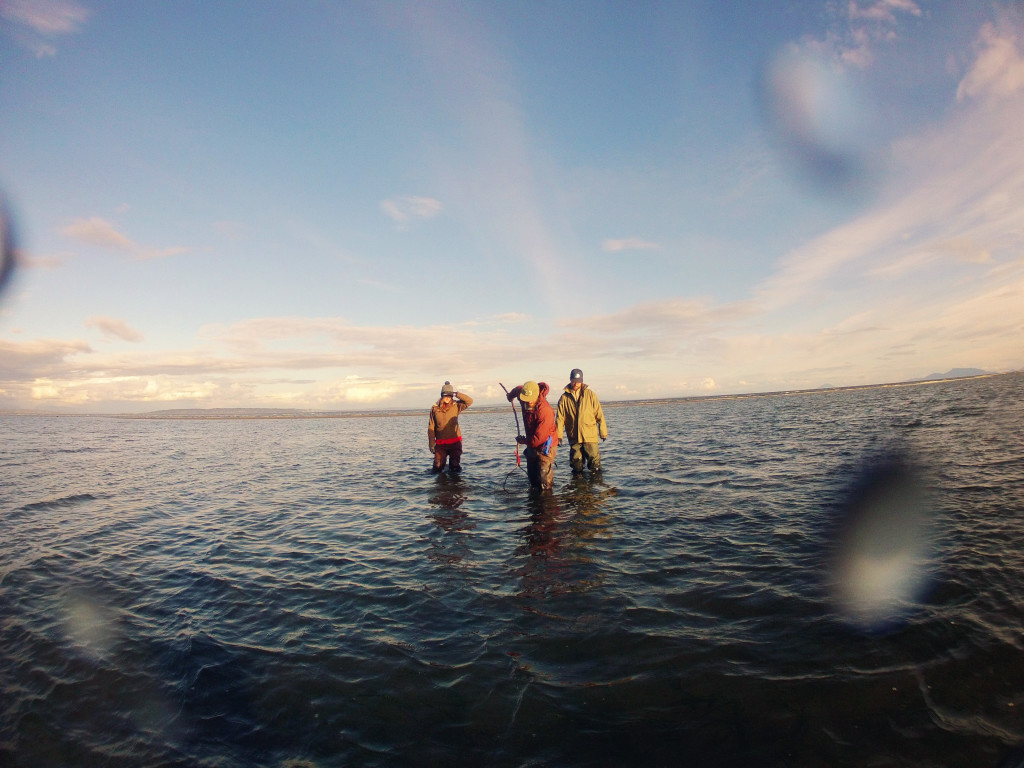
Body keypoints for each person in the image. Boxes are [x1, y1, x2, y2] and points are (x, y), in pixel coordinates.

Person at [505, 380, 558, 490]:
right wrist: (510, 396)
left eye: (531, 399)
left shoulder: (545, 411)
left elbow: (538, 439)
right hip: (531, 443)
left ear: (537, 394)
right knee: (533, 480)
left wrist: (524, 441)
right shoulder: (523, 396)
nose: (528, 402)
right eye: (526, 399)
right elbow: (518, 389)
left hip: (545, 446)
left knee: (544, 483)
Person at [555, 368, 608, 475]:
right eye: (574, 380)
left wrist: (603, 432)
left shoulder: (590, 394)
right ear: (570, 379)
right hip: (574, 436)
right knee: (576, 466)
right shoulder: (564, 398)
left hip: (590, 435)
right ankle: (578, 488)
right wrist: (558, 436)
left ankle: (596, 487)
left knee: (595, 466)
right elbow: (560, 419)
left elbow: (599, 415)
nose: (576, 383)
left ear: (582, 381)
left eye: (578, 381)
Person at [428, 381, 473, 474]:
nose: (448, 398)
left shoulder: (457, 406)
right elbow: (431, 427)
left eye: (450, 396)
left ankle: (455, 487)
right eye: (446, 396)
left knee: (455, 468)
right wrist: (432, 443)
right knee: (437, 468)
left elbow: (469, 401)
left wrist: (456, 394)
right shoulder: (435, 409)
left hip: (455, 443)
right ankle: (440, 487)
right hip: (441, 444)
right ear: (442, 396)